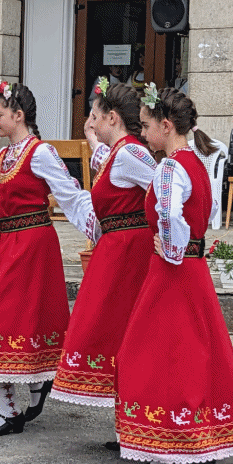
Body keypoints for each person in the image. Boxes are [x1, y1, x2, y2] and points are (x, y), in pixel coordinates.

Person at [116, 85, 233, 464]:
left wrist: (172, 247)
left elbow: (171, 214)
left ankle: (193, 450)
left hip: (174, 273)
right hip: (189, 271)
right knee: (179, 355)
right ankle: (175, 447)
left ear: (166, 126)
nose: (142, 135)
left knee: (167, 355)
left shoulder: (171, 167)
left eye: (146, 127)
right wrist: (181, 246)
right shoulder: (196, 161)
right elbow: (207, 214)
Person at [0, 81, 100, 436]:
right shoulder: (4, 156)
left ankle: (13, 406)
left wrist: (100, 227)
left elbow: (69, 193)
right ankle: (16, 400)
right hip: (8, 244)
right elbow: (6, 204)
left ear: (18, 115)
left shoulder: (39, 152)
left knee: (11, 321)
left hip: (33, 246)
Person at [50, 80, 156, 443]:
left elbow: (165, 186)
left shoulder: (131, 152)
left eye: (97, 117)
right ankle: (129, 424)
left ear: (113, 117)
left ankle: (142, 423)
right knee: (117, 336)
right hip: (117, 252)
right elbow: (108, 167)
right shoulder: (118, 153)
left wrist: (168, 234)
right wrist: (93, 140)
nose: (92, 123)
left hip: (131, 254)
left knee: (129, 334)